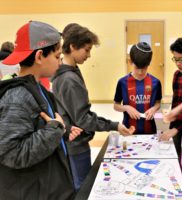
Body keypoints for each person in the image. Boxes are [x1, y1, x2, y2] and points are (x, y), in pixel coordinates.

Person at [0, 21, 82, 200]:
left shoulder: (38, 88)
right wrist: (54, 131)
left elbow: (40, 127)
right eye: (57, 56)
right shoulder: (17, 98)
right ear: (39, 56)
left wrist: (63, 130)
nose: (60, 62)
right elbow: (11, 153)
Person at [51, 23, 133, 191]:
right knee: (83, 187)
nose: (89, 55)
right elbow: (84, 119)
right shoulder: (68, 80)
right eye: (86, 50)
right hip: (75, 144)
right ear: (73, 46)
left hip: (72, 140)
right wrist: (114, 125)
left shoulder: (69, 70)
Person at [113, 42, 162, 134]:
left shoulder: (156, 82)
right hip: (128, 130)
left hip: (150, 130)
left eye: (144, 68)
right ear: (130, 61)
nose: (140, 72)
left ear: (149, 64)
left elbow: (158, 103)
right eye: (137, 67)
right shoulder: (122, 82)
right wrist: (127, 108)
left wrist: (153, 109)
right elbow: (116, 106)